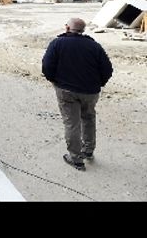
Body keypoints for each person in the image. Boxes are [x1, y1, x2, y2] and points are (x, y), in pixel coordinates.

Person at [42, 17, 113, 171]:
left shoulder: (57, 43)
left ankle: (76, 158)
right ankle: (88, 150)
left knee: (72, 123)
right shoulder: (94, 46)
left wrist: (54, 80)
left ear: (67, 28)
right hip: (91, 92)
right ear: (83, 30)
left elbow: (47, 66)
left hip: (66, 91)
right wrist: (98, 84)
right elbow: (107, 69)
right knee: (88, 119)